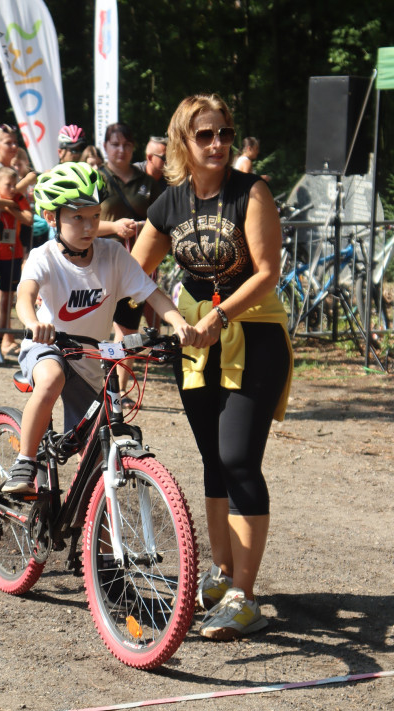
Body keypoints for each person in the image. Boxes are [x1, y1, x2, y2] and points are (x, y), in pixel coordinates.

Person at [131, 93, 293, 640]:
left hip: (254, 333)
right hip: (195, 341)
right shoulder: (170, 203)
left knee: (238, 458)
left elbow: (267, 272)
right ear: (184, 141)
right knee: (211, 459)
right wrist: (128, 327)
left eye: (223, 132)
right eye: (205, 135)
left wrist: (218, 316)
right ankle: (223, 575)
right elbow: (137, 277)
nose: (218, 143)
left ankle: (246, 598)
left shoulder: (252, 193)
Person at [1, 162, 197, 493]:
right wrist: (34, 323)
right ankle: (25, 462)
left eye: (94, 216)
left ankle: (95, 535)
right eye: (77, 217)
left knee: (94, 457)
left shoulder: (113, 256)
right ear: (52, 218)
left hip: (90, 354)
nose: (89, 226)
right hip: (48, 344)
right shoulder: (43, 256)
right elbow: (25, 296)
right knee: (51, 378)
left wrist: (178, 322)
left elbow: (152, 294)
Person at [97, 122, 162, 399]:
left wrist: (144, 227)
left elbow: (162, 222)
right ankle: (94, 380)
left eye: (126, 144)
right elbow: (79, 226)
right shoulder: (95, 179)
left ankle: (119, 388)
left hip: (138, 266)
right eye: (115, 144)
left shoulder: (149, 182)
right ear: (105, 147)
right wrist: (114, 228)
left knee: (128, 328)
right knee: (97, 327)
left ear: (134, 147)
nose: (120, 150)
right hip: (98, 263)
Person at [0, 166, 33, 357]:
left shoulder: (18, 198)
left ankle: (3, 336)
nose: (13, 188)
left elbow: (29, 219)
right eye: (8, 185)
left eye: (15, 184)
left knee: (7, 298)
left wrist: (9, 207)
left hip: (12, 253)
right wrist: (3, 203)